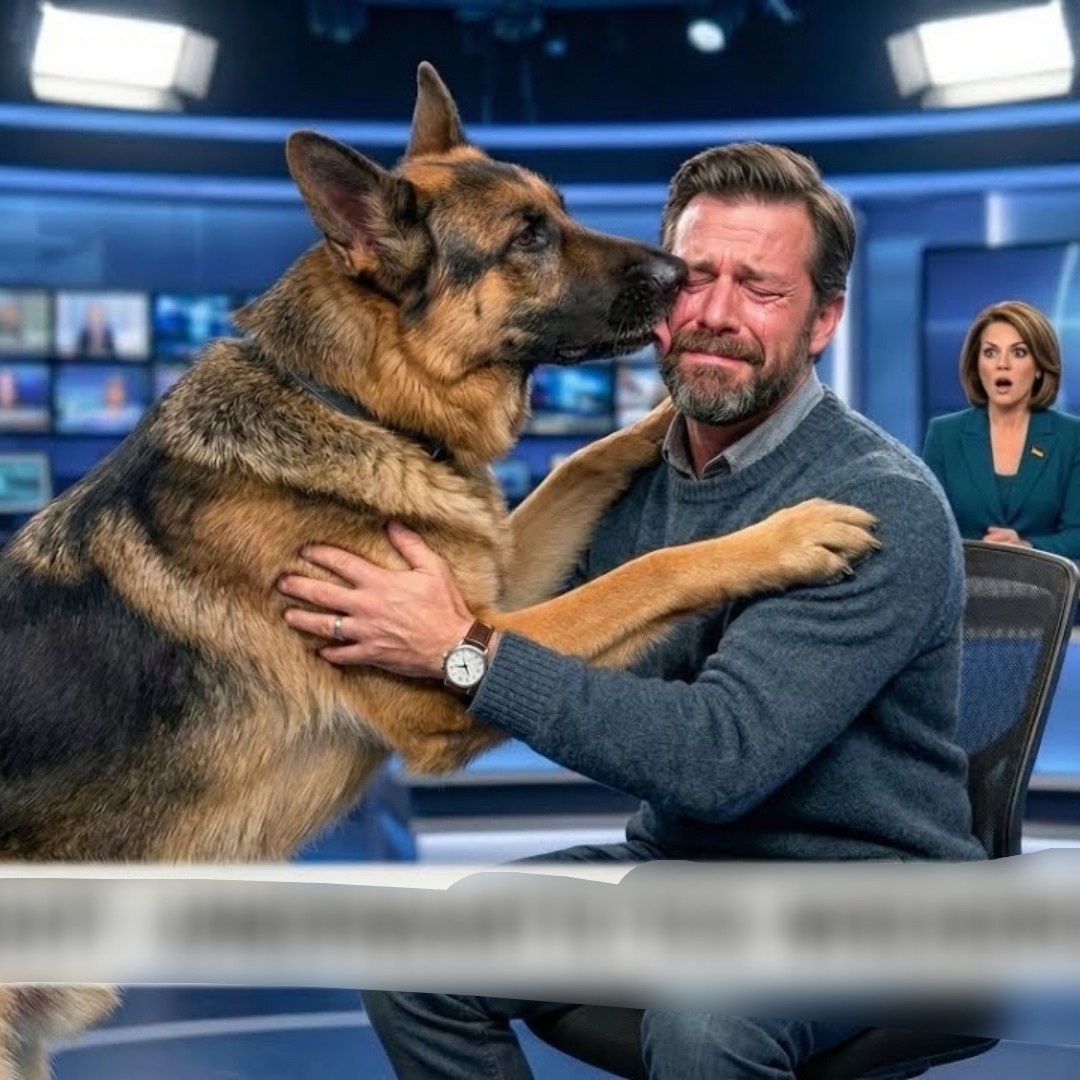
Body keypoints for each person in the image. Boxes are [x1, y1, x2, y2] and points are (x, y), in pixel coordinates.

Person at [276, 142, 985, 1079]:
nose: (716, 315)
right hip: (684, 878)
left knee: (708, 1017)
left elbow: (717, 760)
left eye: (762, 291)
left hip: (877, 900)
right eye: (694, 278)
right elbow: (526, 646)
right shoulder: (638, 476)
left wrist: (461, 650)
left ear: (824, 322)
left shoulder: (873, 498)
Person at [922, 300, 1080, 559]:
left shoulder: (1071, 436)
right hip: (967, 591)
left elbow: (1077, 534)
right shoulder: (944, 434)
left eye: (1018, 353)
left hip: (1044, 593)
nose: (1002, 364)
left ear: (1040, 366)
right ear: (977, 365)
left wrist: (1028, 547)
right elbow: (929, 529)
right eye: (990, 352)